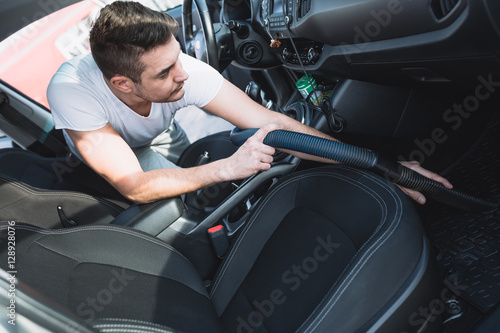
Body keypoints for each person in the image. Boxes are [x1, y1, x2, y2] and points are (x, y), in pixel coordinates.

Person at [47, 1, 451, 205]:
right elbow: (133, 185)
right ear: (123, 83)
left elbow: (274, 123)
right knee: (185, 201)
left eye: (177, 60)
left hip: (160, 132)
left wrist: (384, 168)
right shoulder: (72, 94)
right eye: (164, 72)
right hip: (112, 152)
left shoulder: (182, 69)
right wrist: (228, 167)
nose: (183, 75)